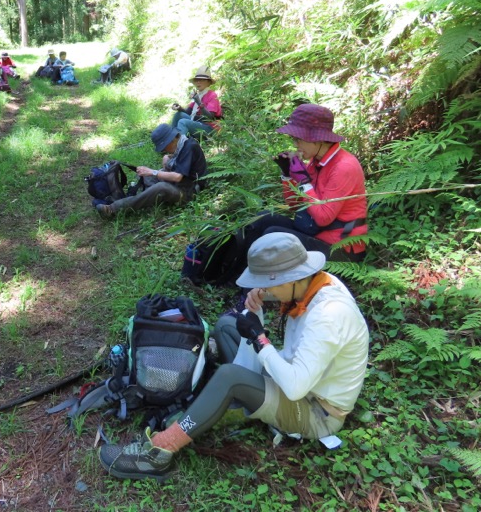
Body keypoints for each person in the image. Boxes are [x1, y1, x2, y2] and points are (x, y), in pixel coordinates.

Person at [100, 232, 370, 481]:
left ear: (289, 278)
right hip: (296, 381)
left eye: (268, 284)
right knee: (227, 326)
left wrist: (260, 339)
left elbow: (296, 386)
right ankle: (226, 399)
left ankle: (159, 452)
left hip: (315, 411)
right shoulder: (312, 285)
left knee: (229, 377)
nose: (266, 290)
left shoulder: (329, 315)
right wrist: (259, 304)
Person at [182, 103, 368, 287]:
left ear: (317, 139)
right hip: (316, 234)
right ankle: (232, 278)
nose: (295, 144)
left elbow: (323, 217)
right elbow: (295, 206)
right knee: (262, 220)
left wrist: (303, 182)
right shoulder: (316, 161)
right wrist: (287, 175)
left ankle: (250, 290)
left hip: (341, 252)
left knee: (273, 234)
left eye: (298, 139)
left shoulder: (344, 166)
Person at [96, 124, 207, 219]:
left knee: (161, 186)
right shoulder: (182, 144)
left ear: (172, 139)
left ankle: (112, 209)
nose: (164, 149)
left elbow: (177, 176)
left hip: (188, 192)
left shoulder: (190, 147)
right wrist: (169, 156)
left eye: (164, 146)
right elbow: (179, 159)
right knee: (147, 177)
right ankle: (143, 199)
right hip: (179, 184)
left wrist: (153, 172)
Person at [170, 66, 223, 136]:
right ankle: (171, 137)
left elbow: (210, 118)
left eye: (201, 80)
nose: (198, 82)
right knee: (178, 115)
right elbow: (189, 113)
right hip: (199, 123)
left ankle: (180, 144)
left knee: (183, 122)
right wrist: (179, 108)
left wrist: (198, 102)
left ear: (208, 82)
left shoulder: (212, 95)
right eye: (197, 80)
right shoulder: (198, 95)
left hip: (210, 128)